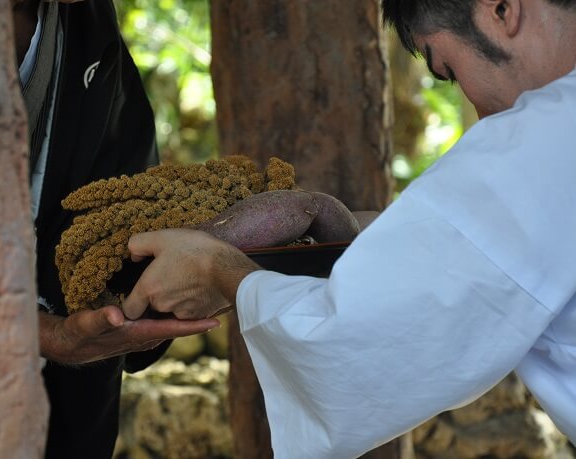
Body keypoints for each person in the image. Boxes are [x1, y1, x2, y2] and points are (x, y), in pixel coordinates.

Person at [119, 0, 576, 457]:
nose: (476, 111)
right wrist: (326, 223)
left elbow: (350, 342)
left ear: (501, 9)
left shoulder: (544, 137)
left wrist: (215, 268)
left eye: (449, 70)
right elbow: (460, 247)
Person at [12, 1, 219, 457]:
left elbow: (126, 184)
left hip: (62, 410)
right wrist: (46, 335)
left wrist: (147, 293)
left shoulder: (84, 23)